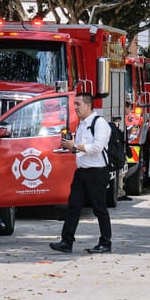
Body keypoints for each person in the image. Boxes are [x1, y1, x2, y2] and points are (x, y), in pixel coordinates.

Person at [50, 92, 112, 254]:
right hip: (82, 171)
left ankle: (105, 242)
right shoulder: (82, 124)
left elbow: (97, 147)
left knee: (99, 208)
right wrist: (71, 147)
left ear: (88, 105)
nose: (75, 108)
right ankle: (66, 241)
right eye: (74, 104)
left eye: (78, 104)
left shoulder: (100, 123)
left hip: (97, 172)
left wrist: (75, 147)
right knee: (73, 206)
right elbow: (79, 147)